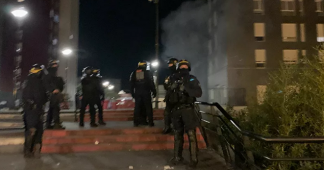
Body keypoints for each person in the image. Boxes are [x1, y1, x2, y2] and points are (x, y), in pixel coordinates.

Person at [169, 59, 203, 168]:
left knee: (191, 135)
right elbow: (168, 94)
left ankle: (194, 160)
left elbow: (198, 93)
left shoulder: (192, 78)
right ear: (178, 67)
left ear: (188, 68)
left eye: (185, 66)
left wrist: (186, 89)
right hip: (176, 110)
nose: (183, 68)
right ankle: (177, 157)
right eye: (181, 66)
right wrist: (171, 88)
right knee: (177, 135)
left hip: (188, 110)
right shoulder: (173, 78)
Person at [22, 64, 48, 158]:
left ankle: (35, 150)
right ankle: (28, 150)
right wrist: (32, 103)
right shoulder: (29, 81)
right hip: (32, 110)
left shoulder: (39, 82)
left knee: (39, 130)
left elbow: (44, 96)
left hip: (39, 110)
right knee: (31, 130)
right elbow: (26, 96)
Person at [130, 61, 156, 127]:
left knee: (137, 107)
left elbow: (131, 84)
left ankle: (136, 122)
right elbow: (151, 83)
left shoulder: (134, 73)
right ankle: (150, 122)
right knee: (148, 107)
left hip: (138, 92)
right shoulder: (147, 73)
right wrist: (154, 91)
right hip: (146, 92)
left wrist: (132, 93)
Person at [44, 60, 65, 129]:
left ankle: (49, 123)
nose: (55, 66)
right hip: (52, 95)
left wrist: (59, 88)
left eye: (56, 65)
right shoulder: (49, 75)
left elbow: (58, 85)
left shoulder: (54, 75)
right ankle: (55, 123)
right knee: (55, 109)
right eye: (54, 65)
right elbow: (47, 84)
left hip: (55, 94)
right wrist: (52, 90)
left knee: (52, 109)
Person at [162, 58, 178, 134]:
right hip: (170, 97)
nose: (169, 66)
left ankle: (175, 128)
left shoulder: (179, 74)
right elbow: (165, 86)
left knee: (175, 113)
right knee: (167, 113)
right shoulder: (169, 75)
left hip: (178, 97)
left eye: (170, 64)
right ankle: (167, 127)